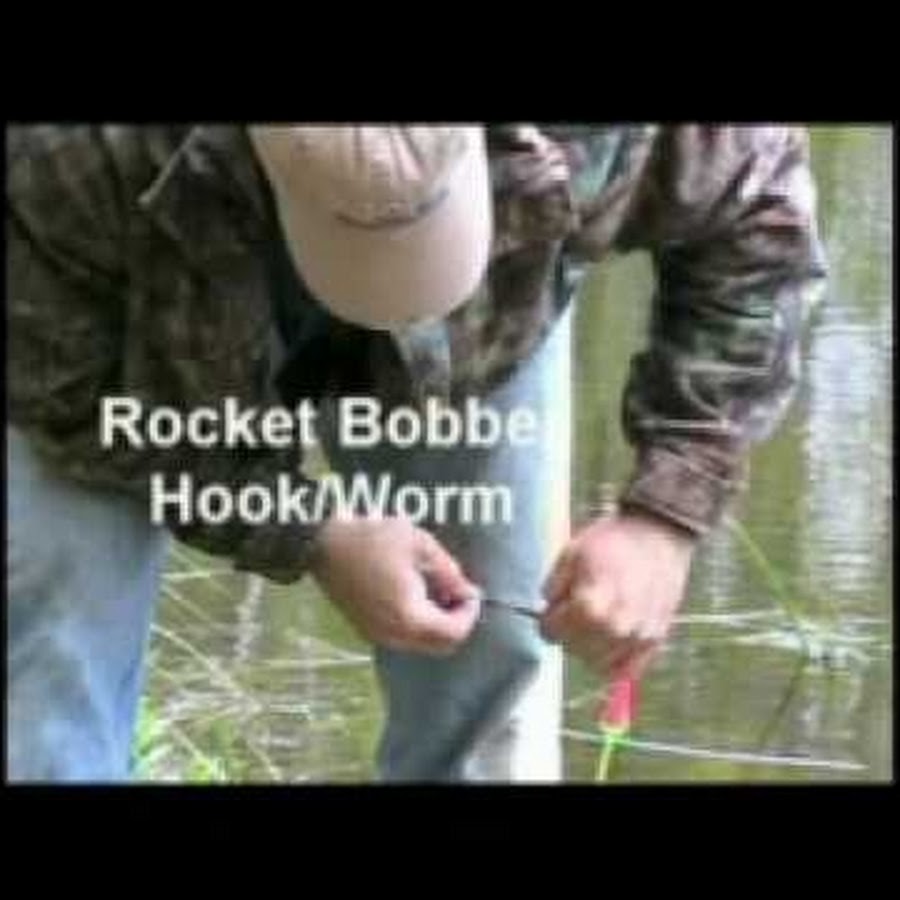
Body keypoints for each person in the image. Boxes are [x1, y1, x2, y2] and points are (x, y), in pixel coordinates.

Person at [6, 124, 827, 782]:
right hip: (131, 298)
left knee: (493, 656)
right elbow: (68, 400)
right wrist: (310, 530)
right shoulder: (70, 157)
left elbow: (759, 229)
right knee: (48, 656)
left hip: (487, 326)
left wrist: (665, 512)